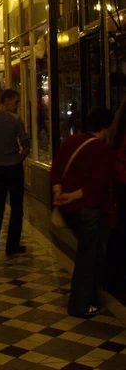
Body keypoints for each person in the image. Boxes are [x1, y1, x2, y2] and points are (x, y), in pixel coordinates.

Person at [50, 106, 115, 319]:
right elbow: (97, 183)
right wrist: (75, 195)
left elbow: (57, 169)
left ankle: (93, 297)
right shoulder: (103, 149)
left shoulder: (71, 141)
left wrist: (59, 191)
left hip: (68, 209)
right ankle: (80, 305)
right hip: (87, 209)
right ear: (106, 127)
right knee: (87, 256)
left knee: (90, 252)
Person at [0, 88, 30, 261]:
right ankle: (12, 245)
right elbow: (26, 144)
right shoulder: (15, 120)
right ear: (7, 101)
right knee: (16, 207)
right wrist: (18, 158)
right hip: (14, 168)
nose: (17, 106)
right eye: (16, 102)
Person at [104, 98, 126, 295]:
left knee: (118, 232)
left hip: (119, 186)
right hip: (123, 184)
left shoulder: (116, 131)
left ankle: (111, 277)